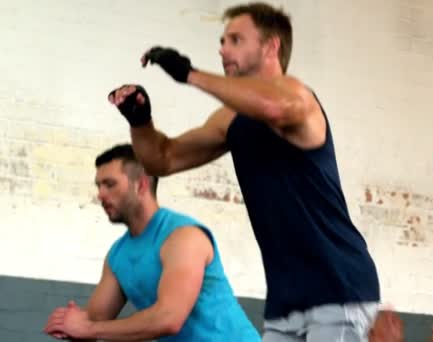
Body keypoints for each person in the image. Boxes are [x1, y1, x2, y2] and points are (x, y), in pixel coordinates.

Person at [107, 2, 380, 340]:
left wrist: (189, 74)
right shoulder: (230, 119)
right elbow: (162, 159)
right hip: (285, 300)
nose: (222, 48)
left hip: (339, 286)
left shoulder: (298, 97)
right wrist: (140, 121)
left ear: (271, 46)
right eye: (222, 41)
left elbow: (273, 107)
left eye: (235, 40)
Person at [44, 144, 260, 341]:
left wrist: (88, 329)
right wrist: (70, 322)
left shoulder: (183, 236)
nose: (100, 194)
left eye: (109, 185)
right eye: (99, 185)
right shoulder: (118, 255)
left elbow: (169, 318)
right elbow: (95, 320)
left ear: (141, 185)